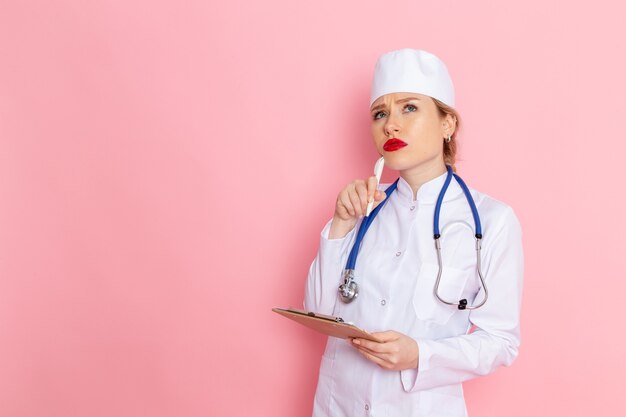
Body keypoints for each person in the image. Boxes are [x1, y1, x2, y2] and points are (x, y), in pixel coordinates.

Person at [304, 48, 524, 417]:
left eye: (409, 108)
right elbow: (318, 311)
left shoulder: (492, 221)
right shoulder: (363, 209)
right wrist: (341, 223)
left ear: (447, 124)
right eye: (380, 114)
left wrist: (420, 355)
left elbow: (501, 342)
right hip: (338, 404)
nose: (390, 125)